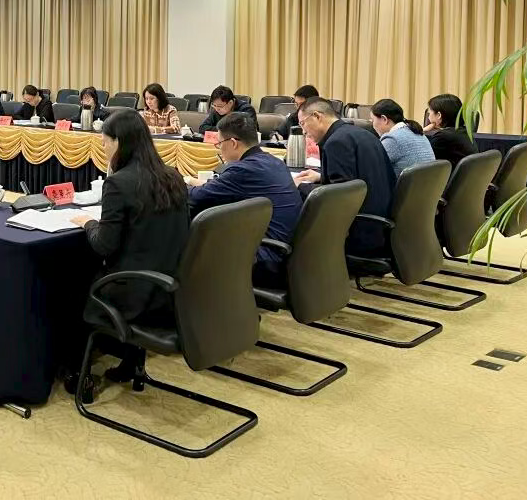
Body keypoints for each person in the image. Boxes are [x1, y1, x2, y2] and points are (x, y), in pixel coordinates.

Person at [68, 109, 190, 386]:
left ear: (118, 143)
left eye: (105, 143)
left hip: (134, 293)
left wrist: (88, 223)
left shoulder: (118, 183)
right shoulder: (173, 176)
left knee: (73, 287)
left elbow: (103, 245)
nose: (103, 150)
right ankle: (131, 363)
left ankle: (79, 375)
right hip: (172, 289)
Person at [185, 113, 302, 287]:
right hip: (282, 252)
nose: (219, 149)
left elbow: (196, 197)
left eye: (219, 144)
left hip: (264, 258)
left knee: (189, 247)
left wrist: (176, 184)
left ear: (233, 143)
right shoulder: (273, 161)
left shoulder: (243, 169)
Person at [294, 97, 395, 256]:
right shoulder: (361, 133)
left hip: (360, 233)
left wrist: (299, 186)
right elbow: (357, 178)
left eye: (302, 123)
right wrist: (321, 176)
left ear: (317, 116)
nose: (303, 131)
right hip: (383, 226)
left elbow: (337, 200)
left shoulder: (336, 142)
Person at [370, 98, 434, 176]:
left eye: (373, 120)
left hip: (405, 184)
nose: (372, 125)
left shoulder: (392, 139)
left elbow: (370, 166)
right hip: (426, 182)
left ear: (384, 119)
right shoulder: (417, 132)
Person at [425, 93, 477, 170]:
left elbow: (424, 161)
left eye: (430, 113)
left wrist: (422, 131)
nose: (429, 116)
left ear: (439, 115)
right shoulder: (464, 132)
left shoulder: (442, 137)